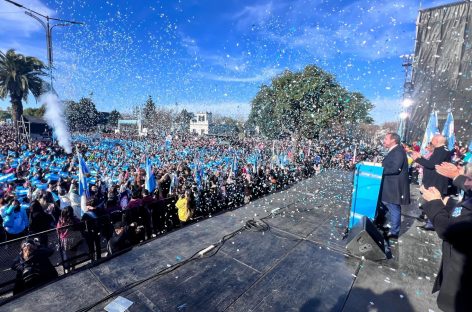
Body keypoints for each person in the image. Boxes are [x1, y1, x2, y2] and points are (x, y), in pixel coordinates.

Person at [420, 165, 472, 312]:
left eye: (469, 179)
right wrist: (456, 176)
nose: (466, 184)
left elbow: (447, 229)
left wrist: (434, 203)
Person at [412, 134, 452, 231]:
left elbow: (431, 165)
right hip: (434, 180)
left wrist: (417, 159)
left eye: (432, 140)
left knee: (433, 202)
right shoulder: (441, 150)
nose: (430, 141)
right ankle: (428, 218)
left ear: (437, 141)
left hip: (436, 182)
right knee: (430, 201)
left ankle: (431, 223)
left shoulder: (442, 150)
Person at [377, 132, 410, 240]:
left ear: (393, 140)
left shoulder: (398, 151)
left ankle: (394, 232)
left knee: (393, 206)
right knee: (387, 204)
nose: (384, 141)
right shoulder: (395, 150)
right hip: (390, 184)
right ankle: (388, 224)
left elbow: (395, 168)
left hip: (394, 186)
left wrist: (379, 170)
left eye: (386, 139)